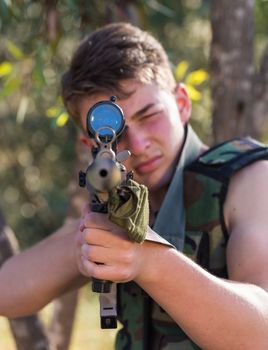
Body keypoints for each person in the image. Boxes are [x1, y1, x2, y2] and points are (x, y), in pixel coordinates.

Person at [1, 22, 268, 349]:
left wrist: (149, 260)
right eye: (117, 134)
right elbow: (7, 292)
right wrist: (91, 238)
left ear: (182, 103)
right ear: (91, 143)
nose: (138, 144)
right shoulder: (115, 205)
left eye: (149, 114)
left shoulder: (247, 178)